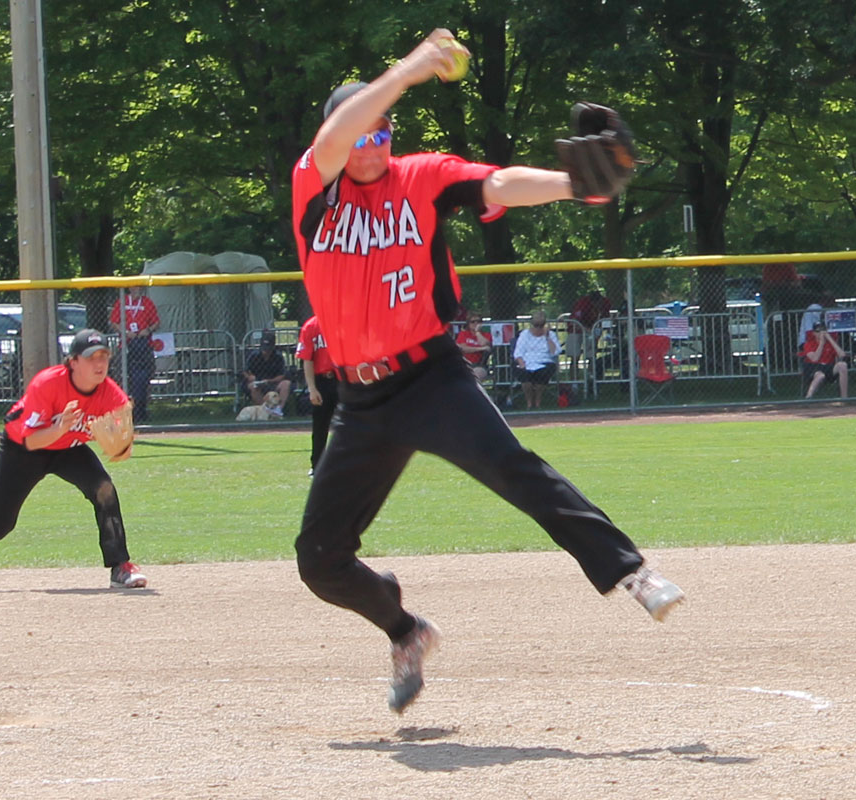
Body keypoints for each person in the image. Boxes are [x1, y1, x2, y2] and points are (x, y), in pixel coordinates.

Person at [290, 30, 683, 716]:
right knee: (319, 560)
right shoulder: (315, 194)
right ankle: (407, 632)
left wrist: (574, 184)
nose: (374, 144)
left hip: (428, 378)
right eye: (362, 134)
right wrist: (407, 71)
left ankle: (631, 571)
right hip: (360, 398)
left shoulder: (420, 177)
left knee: (512, 467)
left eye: (384, 133)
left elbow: (497, 182)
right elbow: (336, 139)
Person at [0, 329, 148, 589]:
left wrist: (122, 447)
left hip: (68, 448)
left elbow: (122, 436)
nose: (99, 363)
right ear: (73, 361)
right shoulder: (47, 383)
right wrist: (59, 429)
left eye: (104, 356)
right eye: (91, 357)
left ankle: (120, 567)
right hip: (23, 449)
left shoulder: (111, 394)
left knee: (103, 488)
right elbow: (31, 440)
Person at [109, 285, 161, 423]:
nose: (136, 290)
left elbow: (156, 322)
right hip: (126, 344)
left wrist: (147, 330)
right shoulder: (122, 302)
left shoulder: (147, 302)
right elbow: (114, 322)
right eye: (134, 287)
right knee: (122, 377)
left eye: (139, 287)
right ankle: (123, 410)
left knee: (144, 377)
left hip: (143, 344)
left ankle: (142, 409)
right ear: (129, 288)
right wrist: (125, 332)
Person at [296, 314, 338, 475]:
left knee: (352, 423)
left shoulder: (345, 321)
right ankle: (317, 465)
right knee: (320, 425)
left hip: (343, 378)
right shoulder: (311, 326)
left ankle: (354, 464)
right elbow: (307, 359)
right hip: (322, 381)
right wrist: (312, 388)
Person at [513, 310, 561, 409]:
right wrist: (522, 364)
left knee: (543, 374)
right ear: (532, 324)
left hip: (545, 361)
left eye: (541, 325)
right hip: (527, 362)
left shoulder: (550, 335)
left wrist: (548, 338)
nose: (538, 328)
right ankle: (529, 403)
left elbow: (555, 352)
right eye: (536, 325)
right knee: (524, 376)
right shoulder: (525, 335)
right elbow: (518, 353)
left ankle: (538, 401)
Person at [243, 330, 290, 416]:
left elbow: (282, 375)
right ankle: (265, 411)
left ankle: (278, 410)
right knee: (253, 386)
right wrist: (251, 377)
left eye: (268, 348)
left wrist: (269, 381)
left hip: (273, 382)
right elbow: (245, 371)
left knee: (286, 384)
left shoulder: (278, 357)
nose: (266, 351)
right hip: (258, 382)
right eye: (264, 348)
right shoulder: (254, 355)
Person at [566, 290, 610, 379]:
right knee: (575, 357)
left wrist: (598, 331)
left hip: (592, 329)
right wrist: (588, 330)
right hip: (576, 330)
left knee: (591, 355)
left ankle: (591, 378)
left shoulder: (605, 303)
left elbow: (605, 319)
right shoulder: (582, 304)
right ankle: (574, 382)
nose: (598, 305)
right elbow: (574, 322)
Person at [801, 320, 849, 399]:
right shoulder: (809, 344)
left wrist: (830, 339)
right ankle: (808, 397)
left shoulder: (830, 343)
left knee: (843, 365)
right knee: (820, 375)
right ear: (813, 333)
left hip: (828, 367)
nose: (821, 333)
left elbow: (842, 355)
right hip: (813, 367)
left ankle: (844, 398)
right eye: (818, 331)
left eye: (823, 331)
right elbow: (815, 359)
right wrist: (821, 344)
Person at [455, 311, 492, 382]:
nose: (476, 323)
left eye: (478, 321)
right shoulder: (463, 334)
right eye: (473, 322)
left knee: (476, 374)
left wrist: (477, 332)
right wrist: (480, 349)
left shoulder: (486, 335)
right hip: (463, 364)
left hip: (479, 365)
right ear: (468, 324)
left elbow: (484, 344)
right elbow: (463, 349)